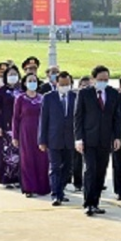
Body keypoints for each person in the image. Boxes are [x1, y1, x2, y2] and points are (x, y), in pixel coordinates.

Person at [74, 65, 121, 216]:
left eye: (106, 80)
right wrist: (78, 139)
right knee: (90, 170)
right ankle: (88, 203)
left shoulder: (113, 94)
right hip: (89, 139)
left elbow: (117, 117)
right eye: (100, 79)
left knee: (101, 172)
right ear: (94, 79)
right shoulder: (84, 94)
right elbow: (78, 117)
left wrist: (117, 136)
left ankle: (96, 202)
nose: (103, 82)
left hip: (105, 139)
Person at [38, 71, 76, 206]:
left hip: (70, 139)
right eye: (62, 84)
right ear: (56, 83)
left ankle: (61, 190)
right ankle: (55, 194)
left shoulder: (75, 97)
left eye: (67, 84)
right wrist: (42, 140)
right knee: (55, 167)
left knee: (68, 168)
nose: (65, 86)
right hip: (54, 138)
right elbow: (44, 120)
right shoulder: (49, 98)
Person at [12, 73, 50, 198]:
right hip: (26, 131)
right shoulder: (20, 98)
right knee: (27, 159)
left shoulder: (42, 98)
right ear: (25, 83)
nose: (32, 83)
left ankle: (42, 186)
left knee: (42, 158)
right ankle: (29, 187)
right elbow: (16, 118)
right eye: (30, 80)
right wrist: (15, 136)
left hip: (40, 131)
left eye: (34, 80)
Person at [0, 65, 22, 188]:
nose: (13, 77)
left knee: (19, 153)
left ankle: (18, 178)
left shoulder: (22, 89)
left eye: (15, 74)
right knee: (7, 153)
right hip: (6, 125)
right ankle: (6, 178)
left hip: (20, 126)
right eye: (10, 74)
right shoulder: (1, 91)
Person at [67, 76, 91, 192]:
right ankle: (78, 182)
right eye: (83, 85)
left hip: (92, 133)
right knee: (77, 160)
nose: (86, 87)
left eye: (88, 85)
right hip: (78, 132)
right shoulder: (75, 97)